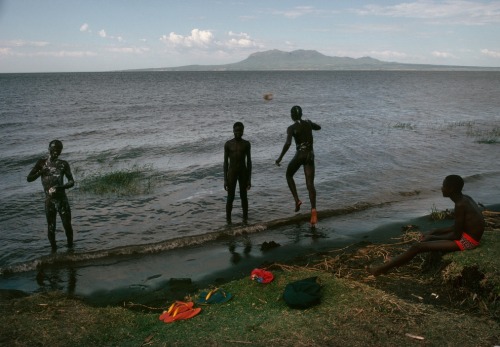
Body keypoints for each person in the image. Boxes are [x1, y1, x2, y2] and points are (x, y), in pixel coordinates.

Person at [368, 175, 485, 276]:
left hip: (468, 242)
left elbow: (456, 234)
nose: (441, 188)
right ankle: (389, 265)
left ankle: (380, 270)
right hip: (467, 235)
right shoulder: (465, 199)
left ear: (451, 189)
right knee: (429, 236)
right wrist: (434, 231)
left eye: (444, 186)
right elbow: (457, 227)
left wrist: (433, 238)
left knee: (418, 247)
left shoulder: (460, 205)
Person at [275, 105, 321, 226]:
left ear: (292, 116)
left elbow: (288, 143)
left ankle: (297, 200)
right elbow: (319, 127)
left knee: (289, 175)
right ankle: (314, 211)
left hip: (300, 155)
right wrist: (311, 124)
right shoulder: (308, 123)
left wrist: (280, 158)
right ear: (301, 114)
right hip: (310, 156)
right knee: (310, 184)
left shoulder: (291, 128)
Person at [27, 140, 75, 251]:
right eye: (54, 149)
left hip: (62, 199)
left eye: (59, 150)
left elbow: (71, 181)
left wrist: (61, 187)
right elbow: (29, 179)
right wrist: (41, 172)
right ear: (49, 149)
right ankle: (54, 251)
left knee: (67, 225)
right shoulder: (41, 163)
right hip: (49, 200)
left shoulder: (64, 164)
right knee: (51, 227)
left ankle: (71, 249)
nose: (56, 152)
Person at [224, 122, 252, 224]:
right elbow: (225, 163)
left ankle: (245, 219)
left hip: (243, 172)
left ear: (243, 131)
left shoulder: (246, 144)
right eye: (236, 131)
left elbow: (249, 162)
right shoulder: (228, 144)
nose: (238, 133)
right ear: (233, 131)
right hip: (231, 172)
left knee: (243, 196)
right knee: (230, 197)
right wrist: (225, 180)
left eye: (240, 131)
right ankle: (228, 220)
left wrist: (249, 179)